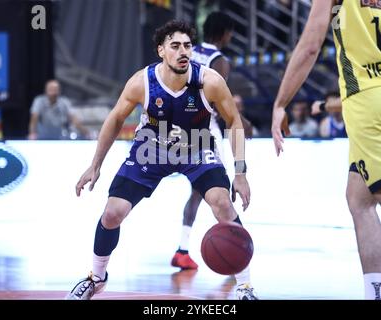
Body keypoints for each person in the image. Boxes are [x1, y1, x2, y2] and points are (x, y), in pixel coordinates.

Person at [66, 20, 258, 300]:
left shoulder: (209, 81)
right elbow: (116, 118)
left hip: (196, 145)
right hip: (151, 147)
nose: (183, 52)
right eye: (175, 46)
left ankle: (245, 287)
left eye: (187, 46)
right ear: (161, 51)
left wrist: (240, 173)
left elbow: (234, 122)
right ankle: (96, 278)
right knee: (112, 213)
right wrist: (95, 165)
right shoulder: (142, 82)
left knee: (222, 203)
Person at [271, 0, 381, 300]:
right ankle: (373, 294)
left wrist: (281, 102)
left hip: (369, 104)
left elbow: (311, 45)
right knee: (359, 198)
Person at [171, 12, 253, 270]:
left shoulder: (186, 51)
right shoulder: (218, 61)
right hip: (204, 127)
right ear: (225, 33)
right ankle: (236, 252)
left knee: (197, 190)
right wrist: (242, 122)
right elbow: (219, 103)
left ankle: (182, 249)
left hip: (173, 127)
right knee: (222, 187)